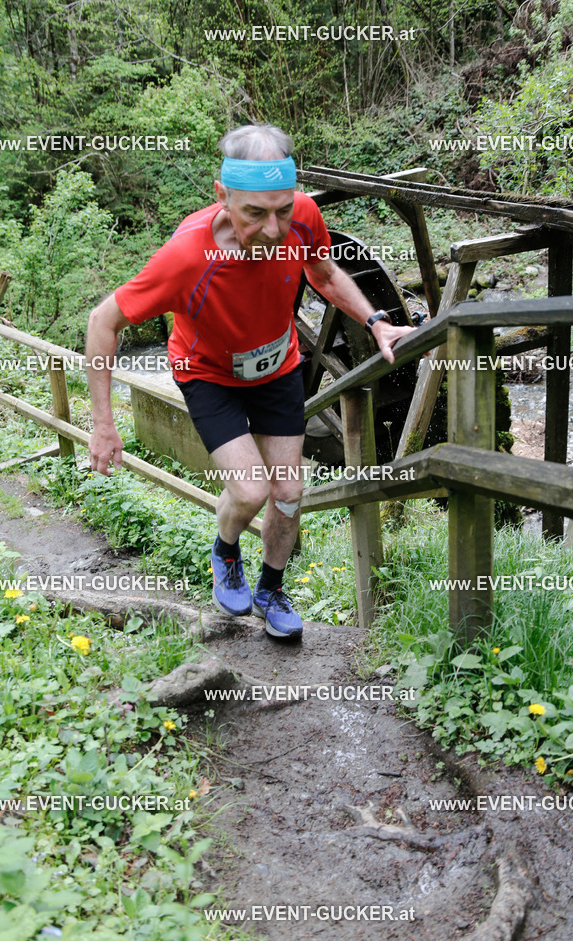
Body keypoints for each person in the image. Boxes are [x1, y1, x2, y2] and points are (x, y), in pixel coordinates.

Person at [86, 123, 415, 639]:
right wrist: (102, 423)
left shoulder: (303, 215)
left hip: (277, 366)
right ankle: (226, 549)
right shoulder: (186, 257)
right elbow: (103, 321)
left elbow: (324, 275)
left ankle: (271, 589)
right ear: (223, 197)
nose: (272, 228)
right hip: (209, 374)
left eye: (282, 209)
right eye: (254, 213)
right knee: (249, 489)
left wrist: (376, 322)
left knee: (288, 491)